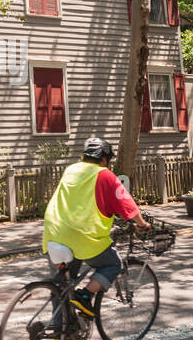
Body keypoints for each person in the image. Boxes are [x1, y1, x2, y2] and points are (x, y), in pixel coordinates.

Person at [42, 137, 149, 320]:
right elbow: (126, 204)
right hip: (83, 238)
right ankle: (85, 296)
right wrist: (142, 224)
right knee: (113, 263)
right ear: (104, 159)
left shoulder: (71, 170)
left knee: (61, 284)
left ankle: (58, 328)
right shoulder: (104, 174)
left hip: (54, 232)